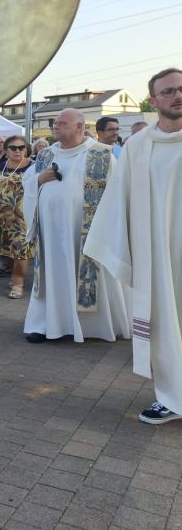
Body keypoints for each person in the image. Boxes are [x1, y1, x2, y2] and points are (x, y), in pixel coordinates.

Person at [84, 67, 182, 425]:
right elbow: (118, 199)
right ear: (153, 101)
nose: (177, 96)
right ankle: (171, 397)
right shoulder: (139, 147)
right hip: (158, 256)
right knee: (165, 325)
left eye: (181, 89)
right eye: (169, 91)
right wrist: (113, 246)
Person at [21, 109, 129, 343]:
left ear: (79, 127)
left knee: (86, 272)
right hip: (50, 232)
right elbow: (27, 182)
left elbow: (118, 193)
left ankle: (91, 325)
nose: (55, 127)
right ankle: (45, 323)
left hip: (87, 232)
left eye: (62, 123)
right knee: (53, 272)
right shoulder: (45, 155)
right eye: (55, 122)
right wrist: (39, 179)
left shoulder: (102, 155)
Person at [0, 136, 35, 299]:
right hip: (2, 216)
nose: (18, 150)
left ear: (26, 149)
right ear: (6, 150)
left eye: (21, 147)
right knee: (4, 251)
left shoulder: (33, 166)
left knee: (20, 250)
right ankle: (12, 271)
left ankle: (18, 283)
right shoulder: (0, 167)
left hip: (23, 218)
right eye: (13, 148)